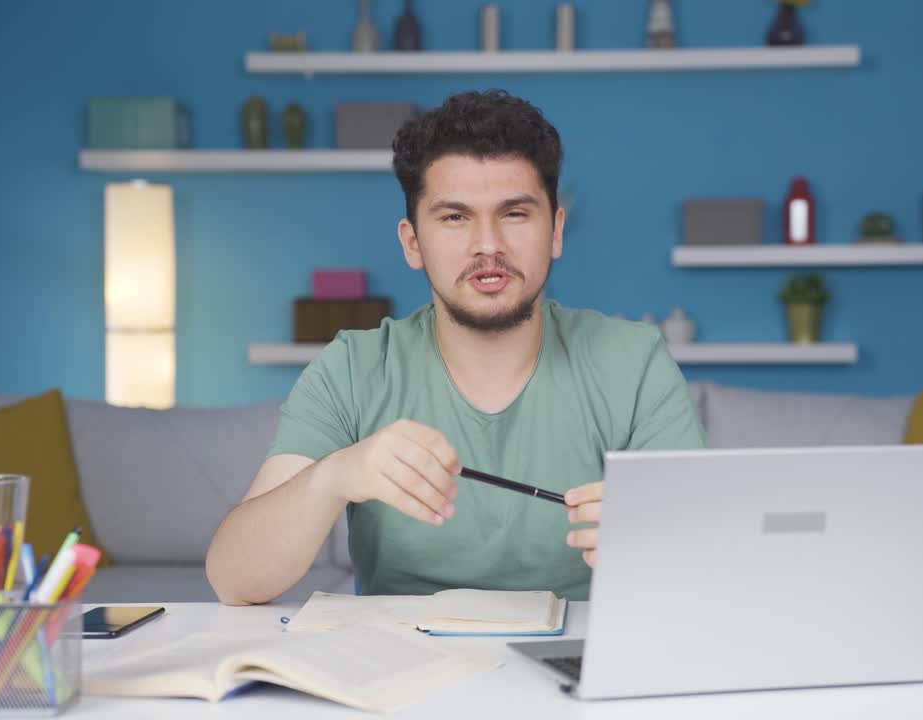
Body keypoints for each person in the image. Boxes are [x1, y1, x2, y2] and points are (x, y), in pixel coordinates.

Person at [206, 89, 705, 606]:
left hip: (579, 665)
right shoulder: (352, 368)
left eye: (514, 214)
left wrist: (663, 541)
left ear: (555, 230)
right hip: (400, 673)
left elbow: (713, 559)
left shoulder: (633, 361)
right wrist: (334, 475)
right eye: (454, 217)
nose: (487, 245)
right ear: (412, 242)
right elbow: (234, 581)